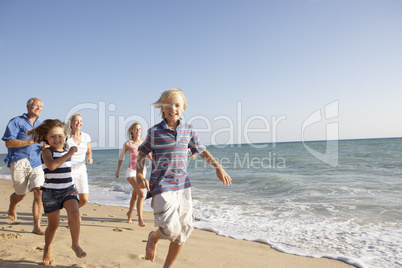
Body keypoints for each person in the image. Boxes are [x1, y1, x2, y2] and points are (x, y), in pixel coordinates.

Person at [136, 88, 232, 268]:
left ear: (184, 108)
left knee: (185, 230)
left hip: (183, 186)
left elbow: (201, 150)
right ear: (162, 108)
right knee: (171, 229)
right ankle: (154, 236)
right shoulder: (154, 132)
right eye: (169, 105)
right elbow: (142, 153)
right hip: (162, 186)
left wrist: (218, 167)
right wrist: (139, 173)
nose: (173, 108)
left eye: (177, 105)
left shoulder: (188, 130)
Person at [27, 119, 86, 265]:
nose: (57, 139)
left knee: (74, 214)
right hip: (51, 192)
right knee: (54, 225)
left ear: (65, 137)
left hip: (68, 189)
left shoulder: (66, 149)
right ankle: (47, 248)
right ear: (46, 138)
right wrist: (69, 154)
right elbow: (52, 166)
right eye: (53, 136)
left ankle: (75, 244)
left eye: (60, 136)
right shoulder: (47, 152)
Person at [2, 97, 45, 235]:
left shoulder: (41, 125)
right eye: (36, 105)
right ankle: (13, 203)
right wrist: (31, 141)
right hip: (19, 161)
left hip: (36, 162)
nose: (39, 108)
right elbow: (9, 143)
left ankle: (36, 226)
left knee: (38, 191)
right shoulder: (16, 122)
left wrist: (44, 146)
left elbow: (41, 143)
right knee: (21, 194)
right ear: (28, 106)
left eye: (41, 106)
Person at [115, 122, 151, 226]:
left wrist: (154, 162)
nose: (138, 131)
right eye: (136, 129)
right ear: (132, 131)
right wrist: (118, 170)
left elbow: (148, 155)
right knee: (141, 194)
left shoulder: (145, 142)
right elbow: (121, 157)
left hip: (142, 172)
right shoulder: (128, 144)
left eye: (139, 129)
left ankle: (129, 214)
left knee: (135, 196)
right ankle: (140, 219)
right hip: (131, 172)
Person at [66, 113, 93, 208]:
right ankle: (73, 216)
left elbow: (89, 151)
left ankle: (73, 212)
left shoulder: (86, 137)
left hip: (81, 170)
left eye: (80, 121)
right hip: (68, 170)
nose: (79, 123)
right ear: (71, 122)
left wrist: (89, 158)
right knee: (71, 197)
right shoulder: (66, 137)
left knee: (84, 199)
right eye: (76, 120)